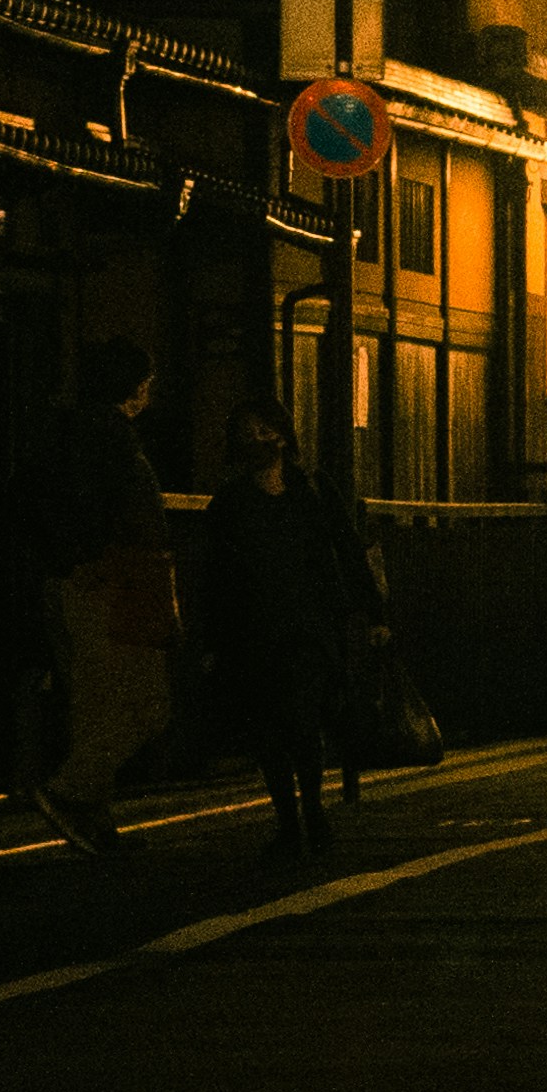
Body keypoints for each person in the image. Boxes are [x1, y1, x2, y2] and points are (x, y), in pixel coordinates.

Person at [195, 401, 373, 853]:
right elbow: (214, 574)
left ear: (281, 435)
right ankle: (290, 820)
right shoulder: (230, 503)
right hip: (253, 629)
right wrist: (210, 639)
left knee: (303, 718)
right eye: (248, 432)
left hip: (309, 625)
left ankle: (310, 811)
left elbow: (347, 549)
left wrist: (371, 613)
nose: (257, 440)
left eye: (264, 430)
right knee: (268, 727)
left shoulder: (312, 488)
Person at [36, 335, 176, 855]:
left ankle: (94, 817)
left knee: (94, 706)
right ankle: (69, 791)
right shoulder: (114, 442)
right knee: (146, 703)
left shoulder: (63, 435)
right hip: (115, 582)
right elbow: (127, 515)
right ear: (135, 386)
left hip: (77, 581)